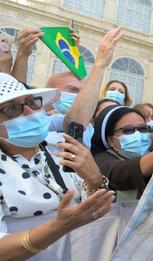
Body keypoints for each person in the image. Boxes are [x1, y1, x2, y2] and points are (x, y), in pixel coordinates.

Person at [0, 72, 115, 260]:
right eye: (12, 108)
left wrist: (95, 179)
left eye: (32, 102)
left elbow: (96, 208)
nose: (30, 112)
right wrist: (58, 227)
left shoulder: (62, 144)